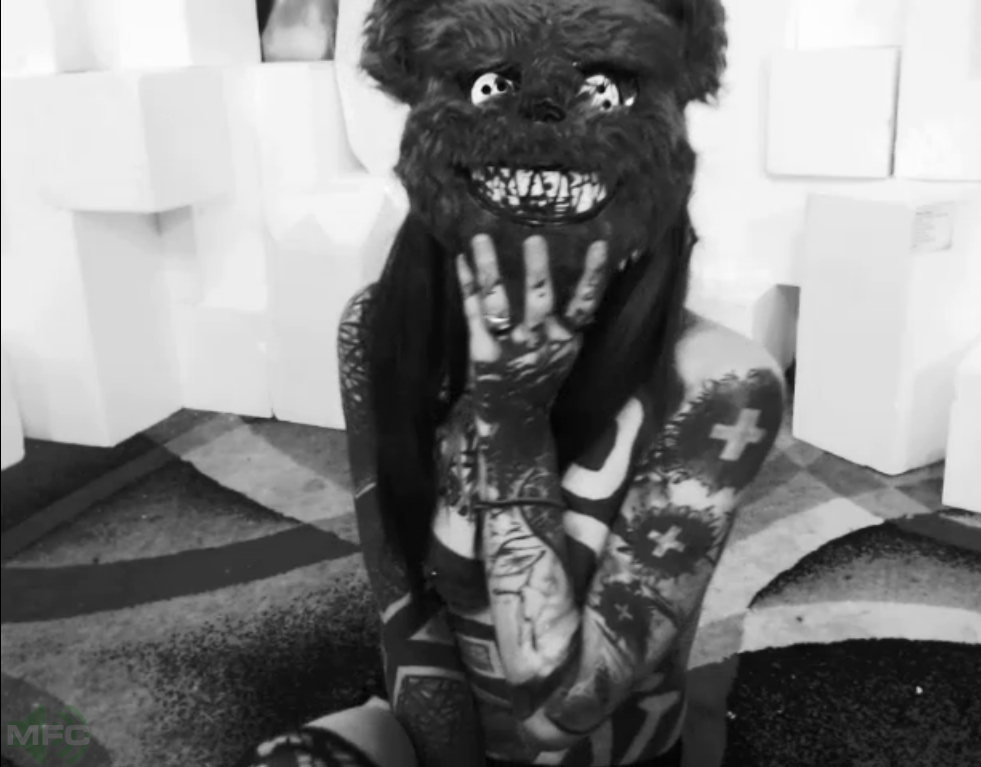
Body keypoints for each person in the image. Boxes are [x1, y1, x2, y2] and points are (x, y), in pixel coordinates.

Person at [235, 0, 787, 764]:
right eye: (490, 84)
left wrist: (511, 418)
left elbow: (560, 713)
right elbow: (402, 601)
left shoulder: (723, 386)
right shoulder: (380, 327)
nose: (544, 122)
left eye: (603, 89)